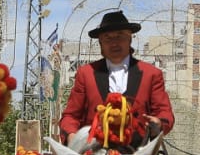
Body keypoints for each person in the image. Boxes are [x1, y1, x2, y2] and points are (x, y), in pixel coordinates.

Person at [58, 10, 175, 145]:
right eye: (108, 38)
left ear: (130, 38)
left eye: (120, 36)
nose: (114, 43)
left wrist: (159, 123)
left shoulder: (152, 74)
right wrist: (72, 136)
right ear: (100, 43)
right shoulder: (86, 74)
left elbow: (164, 112)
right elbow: (70, 116)